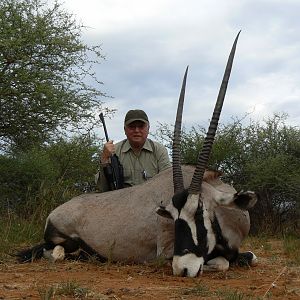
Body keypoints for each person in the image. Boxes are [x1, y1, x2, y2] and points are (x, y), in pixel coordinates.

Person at [96, 109, 171, 192]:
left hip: (152, 200)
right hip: (121, 201)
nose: (136, 130)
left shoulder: (159, 150)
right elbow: (103, 188)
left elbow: (168, 183)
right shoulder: (113, 151)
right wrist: (104, 159)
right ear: (125, 129)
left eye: (141, 126)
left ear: (148, 128)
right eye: (132, 127)